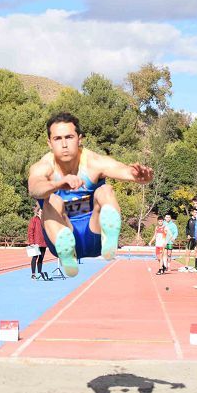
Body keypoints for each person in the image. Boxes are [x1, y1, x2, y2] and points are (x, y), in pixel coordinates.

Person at [27, 112, 153, 277]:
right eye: (58, 139)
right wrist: (57, 184)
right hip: (61, 232)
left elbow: (121, 169)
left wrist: (136, 176)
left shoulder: (93, 162)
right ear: (49, 143)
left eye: (69, 137)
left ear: (79, 139)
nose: (64, 144)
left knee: (105, 190)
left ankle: (109, 239)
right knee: (52, 199)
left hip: (94, 232)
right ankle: (67, 254)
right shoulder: (44, 166)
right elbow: (34, 188)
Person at [26, 203, 47, 280]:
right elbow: (30, 231)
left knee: (41, 259)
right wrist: (31, 243)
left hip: (44, 243)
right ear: (38, 212)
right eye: (41, 211)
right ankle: (33, 274)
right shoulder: (34, 219)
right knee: (35, 258)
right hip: (36, 243)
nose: (42, 212)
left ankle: (40, 273)